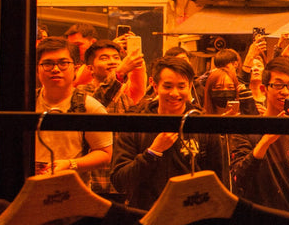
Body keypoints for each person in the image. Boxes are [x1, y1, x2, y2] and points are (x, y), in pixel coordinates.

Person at [110, 55, 234, 210]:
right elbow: (120, 182)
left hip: (191, 215)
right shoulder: (137, 122)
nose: (175, 93)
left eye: (181, 87)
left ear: (190, 86)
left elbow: (218, 183)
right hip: (145, 215)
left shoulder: (203, 124)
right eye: (168, 87)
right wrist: (152, 152)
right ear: (155, 86)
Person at [231, 57, 289, 216]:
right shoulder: (246, 128)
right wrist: (265, 141)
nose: (285, 91)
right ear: (264, 89)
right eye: (278, 85)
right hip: (254, 216)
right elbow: (239, 178)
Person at [33, 37, 113, 181]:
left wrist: (70, 164)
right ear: (37, 69)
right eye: (48, 64)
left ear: (76, 68)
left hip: (72, 187)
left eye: (63, 63)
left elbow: (105, 154)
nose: (55, 69)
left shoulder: (89, 106)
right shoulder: (27, 103)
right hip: (29, 184)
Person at [80, 38, 146, 197]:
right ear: (90, 68)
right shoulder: (80, 94)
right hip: (93, 181)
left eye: (116, 57)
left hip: (121, 181)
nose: (112, 61)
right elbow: (97, 105)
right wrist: (120, 73)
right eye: (104, 58)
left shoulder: (125, 96)